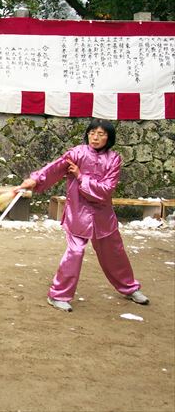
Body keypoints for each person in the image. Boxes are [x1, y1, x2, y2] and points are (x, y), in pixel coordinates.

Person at [16, 119, 149, 312]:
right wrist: (34, 180)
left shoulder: (114, 159)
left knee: (114, 252)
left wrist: (80, 176)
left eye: (101, 134)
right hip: (78, 213)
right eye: (92, 133)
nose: (95, 137)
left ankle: (129, 288)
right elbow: (54, 169)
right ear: (87, 134)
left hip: (103, 215)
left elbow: (105, 190)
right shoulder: (76, 153)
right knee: (75, 252)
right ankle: (58, 295)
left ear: (109, 138)